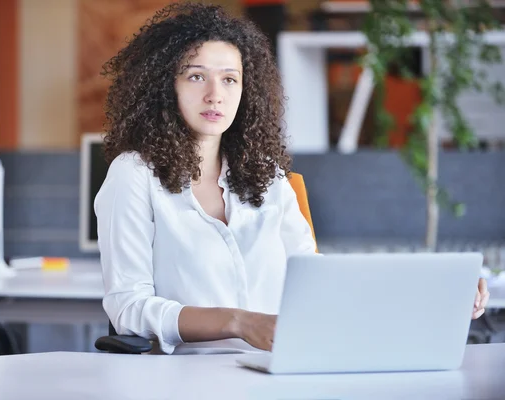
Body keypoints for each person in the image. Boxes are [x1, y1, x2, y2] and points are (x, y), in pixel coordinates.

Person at [94, 2, 490, 355]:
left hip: (276, 372)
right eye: (196, 76)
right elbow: (129, 307)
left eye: (230, 79)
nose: (216, 94)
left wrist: (433, 296)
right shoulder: (134, 175)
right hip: (182, 380)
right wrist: (241, 323)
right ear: (165, 87)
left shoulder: (266, 173)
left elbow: (316, 284)